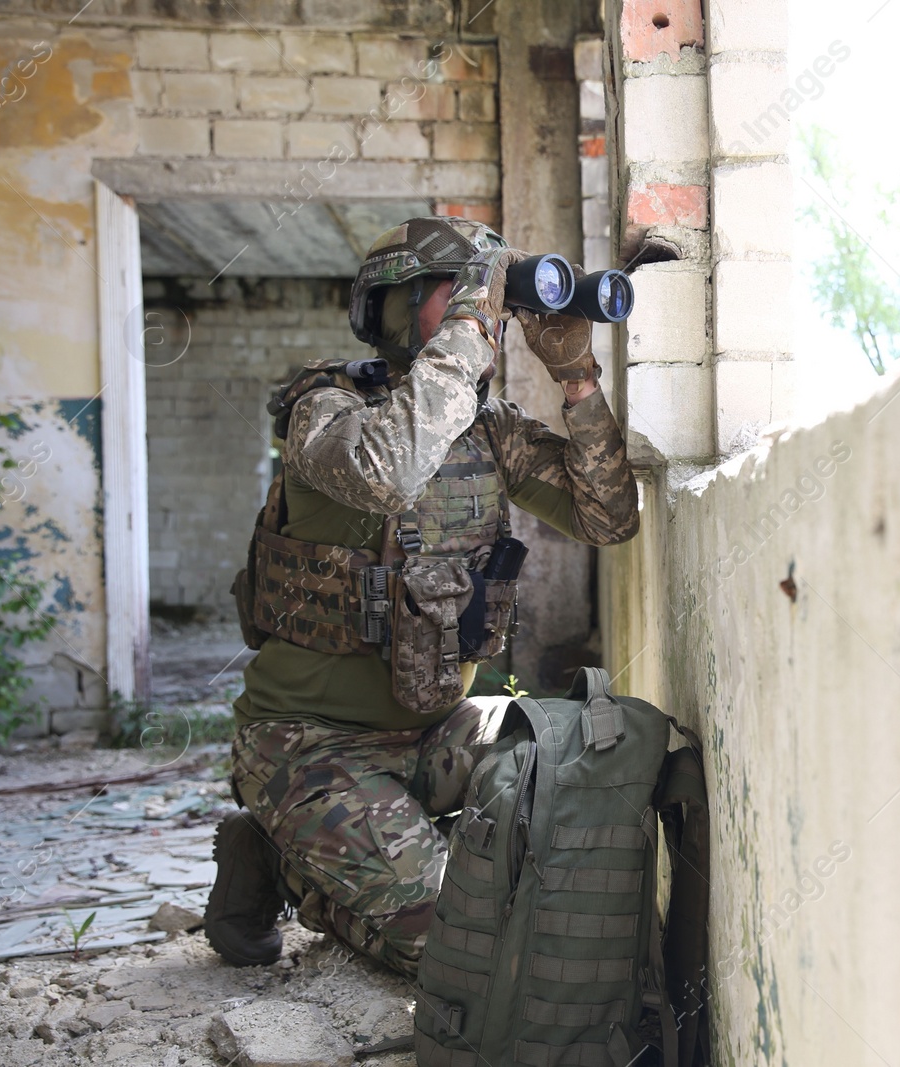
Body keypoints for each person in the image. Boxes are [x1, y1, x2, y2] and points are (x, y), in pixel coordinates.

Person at [203, 217, 639, 978]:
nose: (487, 307)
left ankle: (353, 848)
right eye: (458, 289)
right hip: (310, 745)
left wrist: (577, 378)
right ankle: (279, 861)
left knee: (573, 752)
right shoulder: (327, 411)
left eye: (487, 292)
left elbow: (610, 516)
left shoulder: (487, 429)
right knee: (463, 939)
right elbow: (387, 470)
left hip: (439, 735)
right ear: (399, 307)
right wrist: (477, 319)